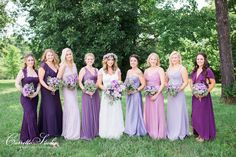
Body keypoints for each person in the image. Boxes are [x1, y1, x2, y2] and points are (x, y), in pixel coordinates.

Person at [190, 53, 216, 142]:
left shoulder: (208, 70)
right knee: (196, 115)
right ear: (196, 60)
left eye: (201, 59)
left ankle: (204, 135)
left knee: (203, 115)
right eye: (198, 59)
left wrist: (205, 93)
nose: (199, 61)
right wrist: (194, 91)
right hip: (195, 96)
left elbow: (213, 83)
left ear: (204, 60)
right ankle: (198, 132)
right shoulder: (194, 70)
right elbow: (191, 83)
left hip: (204, 97)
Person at [98, 53, 124, 139]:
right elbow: (99, 84)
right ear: (105, 60)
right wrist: (106, 90)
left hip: (115, 95)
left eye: (112, 60)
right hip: (106, 95)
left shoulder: (118, 70)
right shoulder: (101, 71)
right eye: (109, 60)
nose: (110, 61)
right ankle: (106, 131)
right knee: (106, 111)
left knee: (115, 111)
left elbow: (120, 82)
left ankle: (116, 130)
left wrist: (116, 90)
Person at [15, 54, 40, 143]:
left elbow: (39, 84)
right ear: (26, 61)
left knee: (29, 116)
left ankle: (24, 137)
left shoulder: (36, 71)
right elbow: (17, 83)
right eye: (29, 60)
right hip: (25, 98)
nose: (30, 62)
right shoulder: (23, 71)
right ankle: (34, 138)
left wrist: (36, 93)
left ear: (34, 61)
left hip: (35, 97)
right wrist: (24, 92)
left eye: (32, 60)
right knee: (30, 115)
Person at [38, 49, 63, 138]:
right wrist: (49, 88)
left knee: (57, 109)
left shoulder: (56, 65)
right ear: (45, 56)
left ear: (54, 56)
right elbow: (40, 80)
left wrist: (56, 86)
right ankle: (48, 131)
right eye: (48, 55)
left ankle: (58, 131)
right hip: (46, 91)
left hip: (55, 90)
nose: (50, 57)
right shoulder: (43, 65)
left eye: (51, 55)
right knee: (50, 110)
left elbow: (59, 77)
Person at [57, 48, 80, 140]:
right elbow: (58, 78)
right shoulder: (63, 65)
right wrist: (66, 84)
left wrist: (75, 83)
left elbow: (77, 77)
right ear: (64, 56)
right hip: (67, 90)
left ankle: (75, 131)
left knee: (74, 109)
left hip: (73, 90)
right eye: (67, 54)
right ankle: (70, 133)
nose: (69, 56)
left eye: (70, 54)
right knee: (72, 109)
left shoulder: (74, 64)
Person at [166, 51, 189, 140]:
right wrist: (168, 87)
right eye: (172, 57)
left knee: (179, 110)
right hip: (171, 93)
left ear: (179, 58)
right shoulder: (168, 69)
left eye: (175, 57)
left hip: (179, 93)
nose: (174, 59)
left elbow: (186, 82)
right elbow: (165, 81)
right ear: (170, 59)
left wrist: (178, 90)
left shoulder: (182, 68)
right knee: (172, 111)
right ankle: (172, 129)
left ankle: (181, 131)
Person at [144, 52, 166, 139]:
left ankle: (158, 132)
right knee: (149, 112)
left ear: (157, 60)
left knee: (157, 112)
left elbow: (163, 83)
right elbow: (145, 83)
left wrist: (156, 94)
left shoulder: (160, 69)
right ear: (149, 60)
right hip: (148, 94)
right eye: (151, 59)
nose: (153, 61)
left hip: (157, 93)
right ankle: (149, 130)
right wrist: (148, 92)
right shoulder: (146, 70)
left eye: (154, 59)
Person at [78, 53, 100, 140]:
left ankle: (96, 131)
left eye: (91, 59)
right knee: (88, 112)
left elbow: (98, 81)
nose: (90, 60)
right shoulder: (83, 69)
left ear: (93, 60)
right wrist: (86, 90)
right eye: (88, 59)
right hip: (86, 94)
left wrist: (94, 89)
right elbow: (79, 82)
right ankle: (87, 132)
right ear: (85, 60)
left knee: (96, 110)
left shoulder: (96, 70)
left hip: (95, 93)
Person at [124, 54, 147, 136]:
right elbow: (126, 82)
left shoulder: (139, 72)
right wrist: (126, 89)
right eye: (131, 61)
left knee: (136, 111)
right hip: (129, 94)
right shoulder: (128, 71)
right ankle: (129, 128)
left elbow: (143, 84)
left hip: (136, 94)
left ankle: (136, 129)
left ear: (137, 62)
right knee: (130, 111)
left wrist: (135, 91)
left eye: (134, 61)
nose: (132, 62)